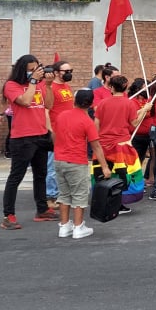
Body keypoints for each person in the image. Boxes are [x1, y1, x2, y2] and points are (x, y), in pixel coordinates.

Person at [1, 55, 55, 230]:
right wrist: (33, 81)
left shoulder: (39, 84)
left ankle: (42, 209)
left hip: (40, 134)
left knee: (41, 175)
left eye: (36, 68)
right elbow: (24, 102)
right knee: (16, 177)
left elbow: (48, 105)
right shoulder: (12, 85)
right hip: (22, 137)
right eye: (30, 69)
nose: (34, 72)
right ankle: (8, 215)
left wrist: (47, 85)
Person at [54, 90, 112, 239]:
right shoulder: (87, 121)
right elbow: (96, 146)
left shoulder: (61, 116)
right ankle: (78, 227)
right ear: (91, 104)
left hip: (59, 160)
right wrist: (104, 167)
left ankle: (64, 225)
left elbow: (55, 135)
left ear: (74, 100)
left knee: (64, 194)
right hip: (76, 161)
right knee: (79, 195)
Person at [95, 75, 151, 212]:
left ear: (111, 87)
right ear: (125, 87)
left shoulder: (102, 103)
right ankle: (118, 204)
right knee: (122, 175)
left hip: (103, 145)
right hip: (121, 145)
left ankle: (105, 202)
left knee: (105, 174)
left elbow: (96, 125)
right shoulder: (128, 103)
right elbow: (134, 122)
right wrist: (144, 110)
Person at [47, 61, 77, 209]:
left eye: (70, 70)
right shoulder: (50, 88)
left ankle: (61, 193)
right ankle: (50, 196)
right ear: (56, 72)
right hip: (55, 131)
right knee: (53, 166)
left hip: (68, 131)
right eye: (66, 71)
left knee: (65, 164)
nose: (69, 73)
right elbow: (46, 110)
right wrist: (51, 130)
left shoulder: (67, 87)